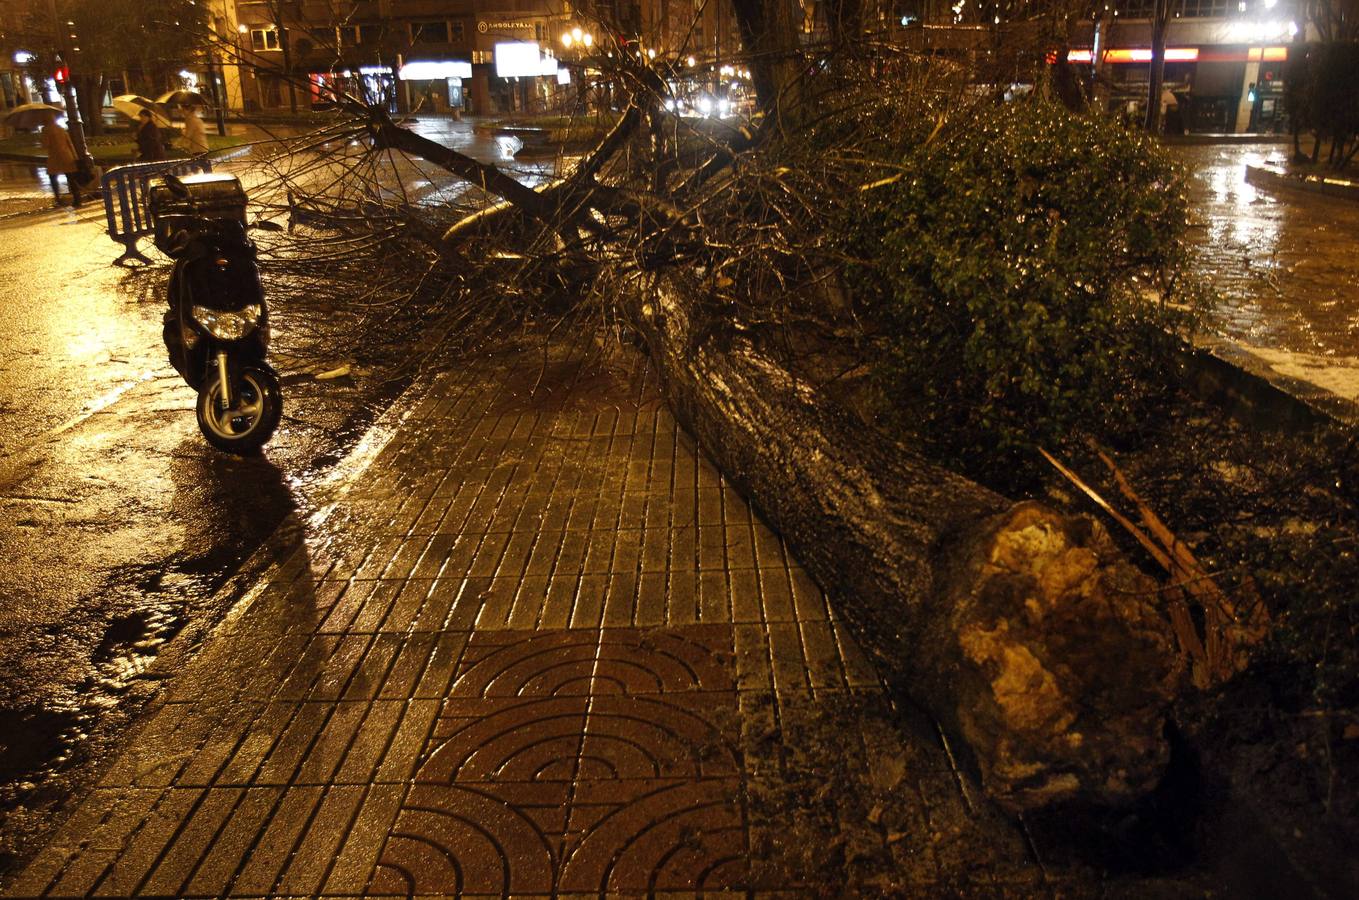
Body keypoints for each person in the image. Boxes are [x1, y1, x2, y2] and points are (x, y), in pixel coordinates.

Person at [40, 115, 82, 207]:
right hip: (67, 156)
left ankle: (58, 199)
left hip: (55, 157)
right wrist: (75, 157)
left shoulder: (46, 130)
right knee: (70, 178)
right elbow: (70, 143)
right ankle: (77, 199)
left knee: (53, 177)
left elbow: (45, 145)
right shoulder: (61, 129)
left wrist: (42, 135)